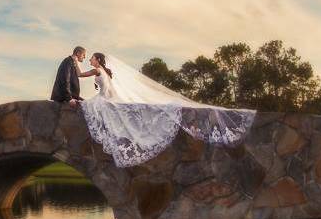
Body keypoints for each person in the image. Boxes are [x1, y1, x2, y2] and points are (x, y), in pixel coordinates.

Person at [77, 52, 257, 168]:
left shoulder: (97, 71)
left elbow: (79, 74)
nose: (90, 60)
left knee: (86, 106)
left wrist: (73, 61)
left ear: (98, 60)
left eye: (92, 57)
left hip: (104, 100)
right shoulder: (105, 71)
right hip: (108, 99)